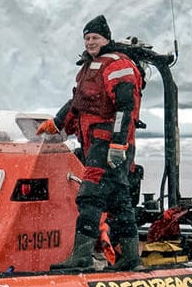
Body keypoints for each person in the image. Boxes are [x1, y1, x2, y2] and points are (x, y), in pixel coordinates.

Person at [39, 15, 146, 271]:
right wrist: (57, 122)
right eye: (87, 38)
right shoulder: (91, 67)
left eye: (95, 37)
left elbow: (125, 107)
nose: (90, 42)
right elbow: (78, 103)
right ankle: (130, 257)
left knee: (90, 197)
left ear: (106, 38)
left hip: (106, 144)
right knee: (119, 200)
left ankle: (82, 257)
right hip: (97, 144)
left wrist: (118, 144)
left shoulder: (117, 65)